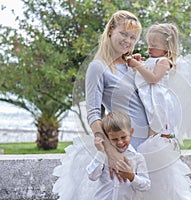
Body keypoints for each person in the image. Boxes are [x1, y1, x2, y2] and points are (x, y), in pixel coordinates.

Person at [53, 10, 150, 200]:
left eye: (133, 37)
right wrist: (111, 153)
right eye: (124, 34)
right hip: (126, 144)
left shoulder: (133, 64)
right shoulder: (98, 67)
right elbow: (93, 113)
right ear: (110, 31)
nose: (128, 41)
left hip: (147, 145)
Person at [127, 23, 191, 200]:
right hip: (150, 102)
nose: (149, 48)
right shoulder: (153, 59)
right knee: (151, 138)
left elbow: (153, 78)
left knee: (156, 136)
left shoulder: (164, 61)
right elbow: (143, 73)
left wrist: (138, 66)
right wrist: (137, 63)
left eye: (154, 46)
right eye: (148, 44)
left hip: (160, 104)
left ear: (166, 48)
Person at [86, 110, 151, 200]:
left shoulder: (137, 158)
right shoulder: (104, 155)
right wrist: (100, 152)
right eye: (114, 139)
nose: (120, 142)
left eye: (123, 137)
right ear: (108, 138)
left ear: (131, 132)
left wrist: (131, 176)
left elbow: (146, 185)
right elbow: (92, 176)